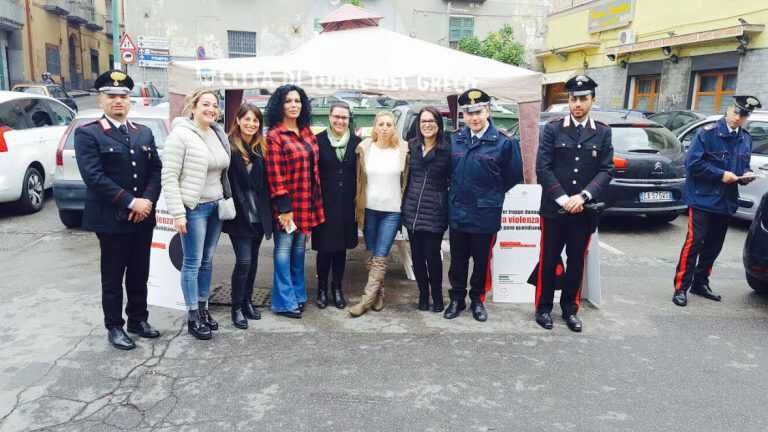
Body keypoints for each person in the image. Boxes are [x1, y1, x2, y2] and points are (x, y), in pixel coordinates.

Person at [74, 70, 162, 350]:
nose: (118, 101)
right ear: (100, 100)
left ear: (129, 100)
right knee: (113, 276)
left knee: (139, 271)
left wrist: (146, 201)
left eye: (123, 96)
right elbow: (94, 176)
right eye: (111, 96)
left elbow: (155, 171)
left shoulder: (143, 132)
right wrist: (130, 201)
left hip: (142, 216)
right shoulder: (89, 133)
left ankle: (138, 319)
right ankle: (114, 326)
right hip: (111, 219)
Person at [534, 75, 614, 332]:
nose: (577, 103)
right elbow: (543, 167)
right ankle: (543, 308)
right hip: (554, 209)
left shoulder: (602, 132)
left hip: (584, 210)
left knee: (576, 261)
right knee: (548, 259)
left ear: (592, 100)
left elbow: (606, 170)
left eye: (583, 99)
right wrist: (563, 198)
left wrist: (583, 197)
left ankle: (570, 309)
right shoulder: (553, 129)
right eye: (573, 99)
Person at [672, 95, 762, 307]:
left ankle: (700, 283)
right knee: (695, 242)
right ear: (729, 110)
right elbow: (692, 164)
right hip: (703, 198)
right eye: (738, 113)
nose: (740, 118)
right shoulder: (708, 133)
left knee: (714, 245)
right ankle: (681, 287)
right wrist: (721, 174)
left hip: (726, 200)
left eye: (745, 115)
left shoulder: (746, 138)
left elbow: (742, 165)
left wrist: (746, 174)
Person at [445, 89, 523, 322]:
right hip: (458, 211)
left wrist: (490, 195)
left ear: (488, 111)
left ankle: (477, 300)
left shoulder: (504, 143)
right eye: (468, 113)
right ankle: (457, 298)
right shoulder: (456, 139)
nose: (474, 117)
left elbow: (513, 176)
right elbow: (449, 173)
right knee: (457, 261)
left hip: (485, 214)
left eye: (478, 111)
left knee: (481, 261)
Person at [161, 89, 231, 340]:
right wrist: (178, 214)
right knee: (192, 262)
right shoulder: (180, 135)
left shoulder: (216, 133)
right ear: (193, 106)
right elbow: (169, 177)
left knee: (208, 260)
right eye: (206, 104)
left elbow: (222, 171)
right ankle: (192, 315)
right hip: (194, 209)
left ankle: (203, 309)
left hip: (215, 207)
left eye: (215, 105)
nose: (211, 109)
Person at [264, 84, 325, 319]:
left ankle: (298, 295)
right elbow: (274, 173)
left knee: (299, 251)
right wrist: (284, 207)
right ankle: (283, 301)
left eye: (297, 101)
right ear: (280, 105)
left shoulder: (307, 132)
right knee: (283, 251)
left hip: (306, 202)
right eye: (288, 101)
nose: (293, 105)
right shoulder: (275, 136)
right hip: (286, 206)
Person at [349, 110, 410, 317]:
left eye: (389, 124)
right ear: (375, 127)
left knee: (381, 255)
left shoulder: (403, 149)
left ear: (394, 127)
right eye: (381, 124)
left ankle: (365, 300)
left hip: (392, 211)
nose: (384, 128)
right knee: (372, 252)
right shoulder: (365, 148)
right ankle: (379, 293)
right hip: (369, 210)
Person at [221, 102, 273, 329]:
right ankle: (236, 308)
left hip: (258, 216)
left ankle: (248, 302)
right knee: (243, 261)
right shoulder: (229, 147)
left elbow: (266, 183)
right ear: (238, 121)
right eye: (247, 119)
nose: (251, 124)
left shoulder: (262, 148)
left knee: (252, 262)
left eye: (256, 120)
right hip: (240, 215)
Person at [401, 107, 451, 312]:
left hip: (435, 211)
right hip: (412, 209)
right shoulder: (411, 147)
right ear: (418, 125)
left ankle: (437, 296)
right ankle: (423, 294)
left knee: (433, 257)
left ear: (438, 124)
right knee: (418, 257)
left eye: (431, 121)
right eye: (423, 121)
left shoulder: (447, 149)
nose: (427, 125)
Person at [312, 102, 361, 309]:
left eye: (344, 118)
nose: (340, 121)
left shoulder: (357, 144)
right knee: (324, 250)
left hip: (346, 206)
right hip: (323, 204)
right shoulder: (318, 141)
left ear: (349, 120)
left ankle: (337, 289)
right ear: (329, 117)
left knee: (340, 251)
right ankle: (322, 289)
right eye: (337, 117)